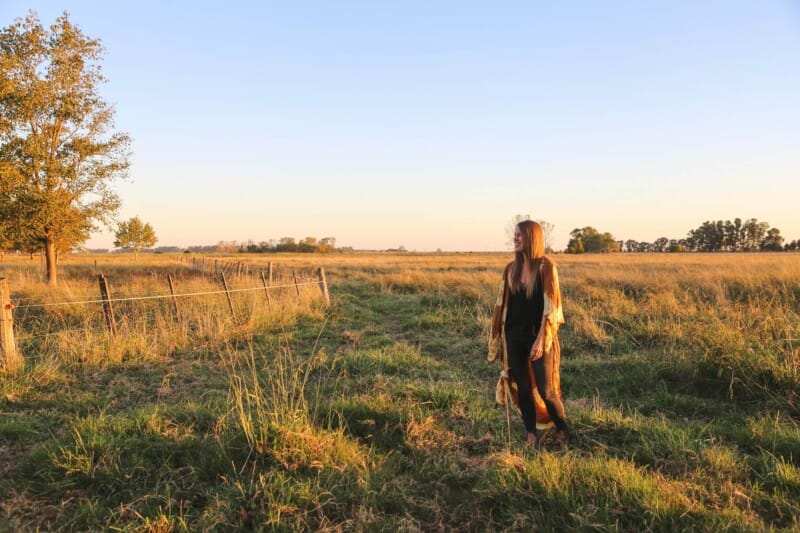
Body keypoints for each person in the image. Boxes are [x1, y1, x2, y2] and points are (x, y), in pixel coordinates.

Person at [488, 220, 569, 450]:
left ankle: (562, 428)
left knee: (546, 390)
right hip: (514, 336)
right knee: (522, 386)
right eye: (514, 235)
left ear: (532, 238)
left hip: (539, 336)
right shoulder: (510, 269)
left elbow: (551, 307)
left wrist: (541, 338)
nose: (515, 239)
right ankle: (531, 433)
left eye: (519, 235)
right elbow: (503, 305)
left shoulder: (546, 267)